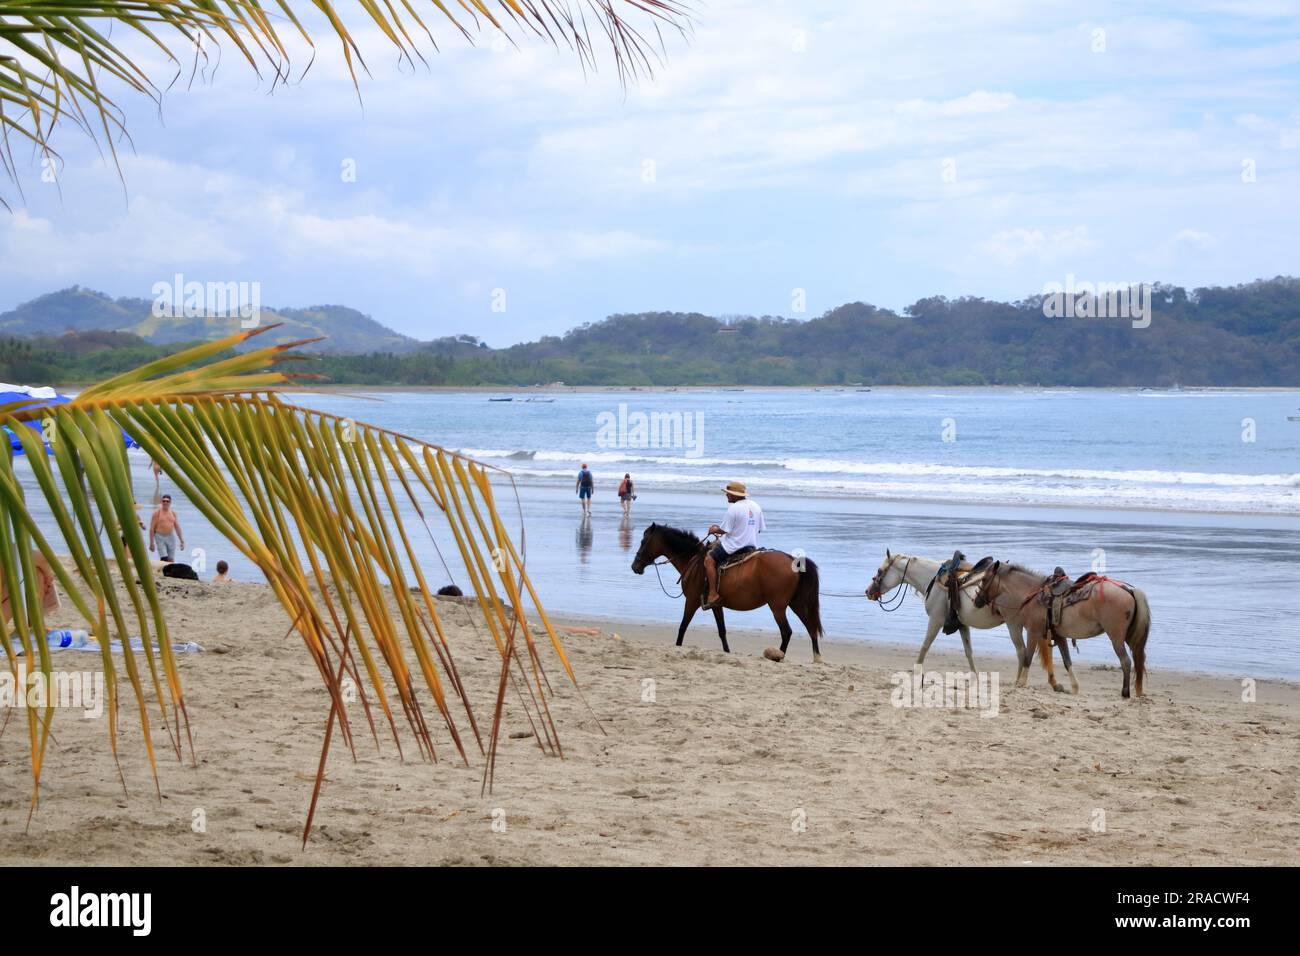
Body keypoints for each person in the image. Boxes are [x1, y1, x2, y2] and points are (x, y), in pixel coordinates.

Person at [702, 480, 765, 608]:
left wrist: (714, 529)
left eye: (728, 493)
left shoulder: (734, 509)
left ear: (736, 495)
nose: (726, 495)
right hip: (751, 546)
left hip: (733, 546)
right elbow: (759, 529)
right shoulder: (756, 506)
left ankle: (713, 594)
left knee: (709, 560)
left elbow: (723, 530)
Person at [149, 494, 185, 563]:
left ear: (170, 502)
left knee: (171, 559)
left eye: (167, 501)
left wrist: (181, 540)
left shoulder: (173, 513)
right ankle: (163, 571)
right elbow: (152, 528)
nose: (165, 503)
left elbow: (177, 527)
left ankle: (171, 573)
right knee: (164, 558)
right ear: (161, 502)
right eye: (164, 501)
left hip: (170, 536)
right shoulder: (157, 513)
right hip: (159, 536)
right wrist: (151, 543)